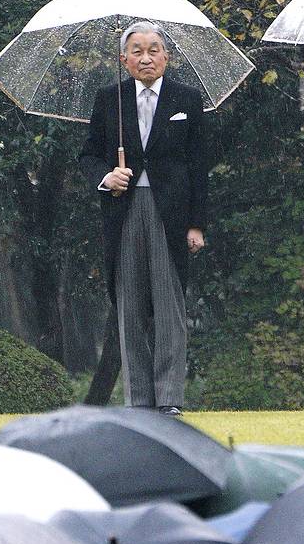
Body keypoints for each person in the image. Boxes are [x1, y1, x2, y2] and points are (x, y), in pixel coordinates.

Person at [79, 21, 208, 415]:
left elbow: (199, 166)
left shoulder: (187, 99)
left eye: (154, 49)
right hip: (124, 211)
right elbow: (87, 156)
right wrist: (106, 175)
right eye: (136, 50)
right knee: (129, 307)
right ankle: (139, 402)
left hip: (172, 215)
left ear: (166, 57)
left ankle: (169, 400)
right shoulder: (109, 100)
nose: (146, 57)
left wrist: (197, 224)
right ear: (124, 59)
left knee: (170, 307)